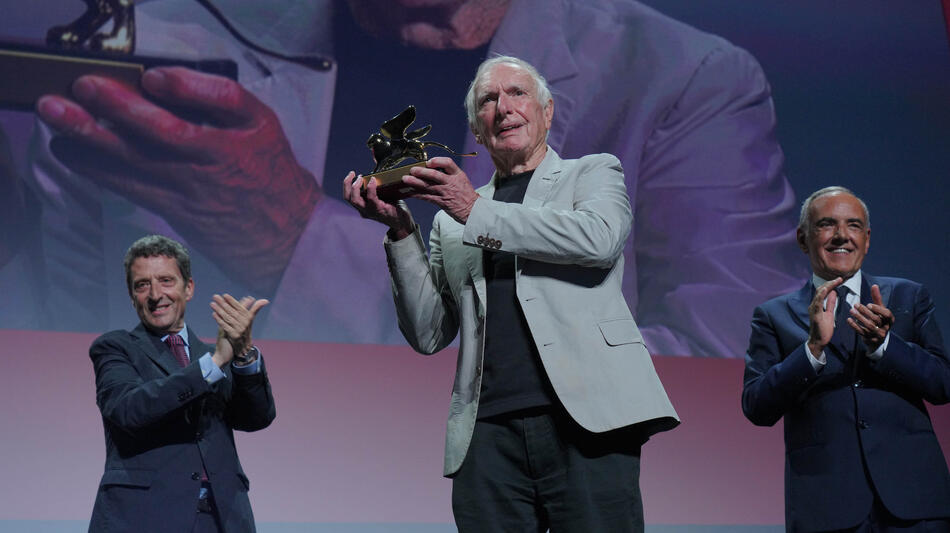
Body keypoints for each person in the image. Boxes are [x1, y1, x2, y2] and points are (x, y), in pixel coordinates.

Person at [20, 0, 804, 356]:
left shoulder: (682, 85)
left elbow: (725, 385)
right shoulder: (169, 45)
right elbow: (71, 341)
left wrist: (297, 242)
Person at [343, 55, 678, 532]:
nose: (503, 107)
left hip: (587, 421)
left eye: (517, 93)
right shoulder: (449, 221)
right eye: (488, 100)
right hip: (486, 435)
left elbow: (599, 240)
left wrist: (473, 210)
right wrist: (400, 232)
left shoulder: (592, 173)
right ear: (476, 131)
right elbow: (429, 333)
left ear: (547, 111)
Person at [741, 186, 950, 531]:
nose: (842, 235)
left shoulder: (908, 297)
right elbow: (756, 406)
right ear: (803, 239)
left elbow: (943, 384)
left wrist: (885, 346)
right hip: (827, 506)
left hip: (916, 502)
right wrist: (812, 349)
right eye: (827, 224)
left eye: (853, 225)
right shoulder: (773, 315)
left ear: (866, 239)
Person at [88, 234, 274, 532]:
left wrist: (243, 356)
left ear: (188, 288)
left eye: (166, 280)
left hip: (221, 519)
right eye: (142, 285)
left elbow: (255, 418)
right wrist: (214, 363)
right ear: (132, 295)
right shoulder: (115, 347)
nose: (155, 294)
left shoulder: (215, 355)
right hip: (145, 518)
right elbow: (128, 410)